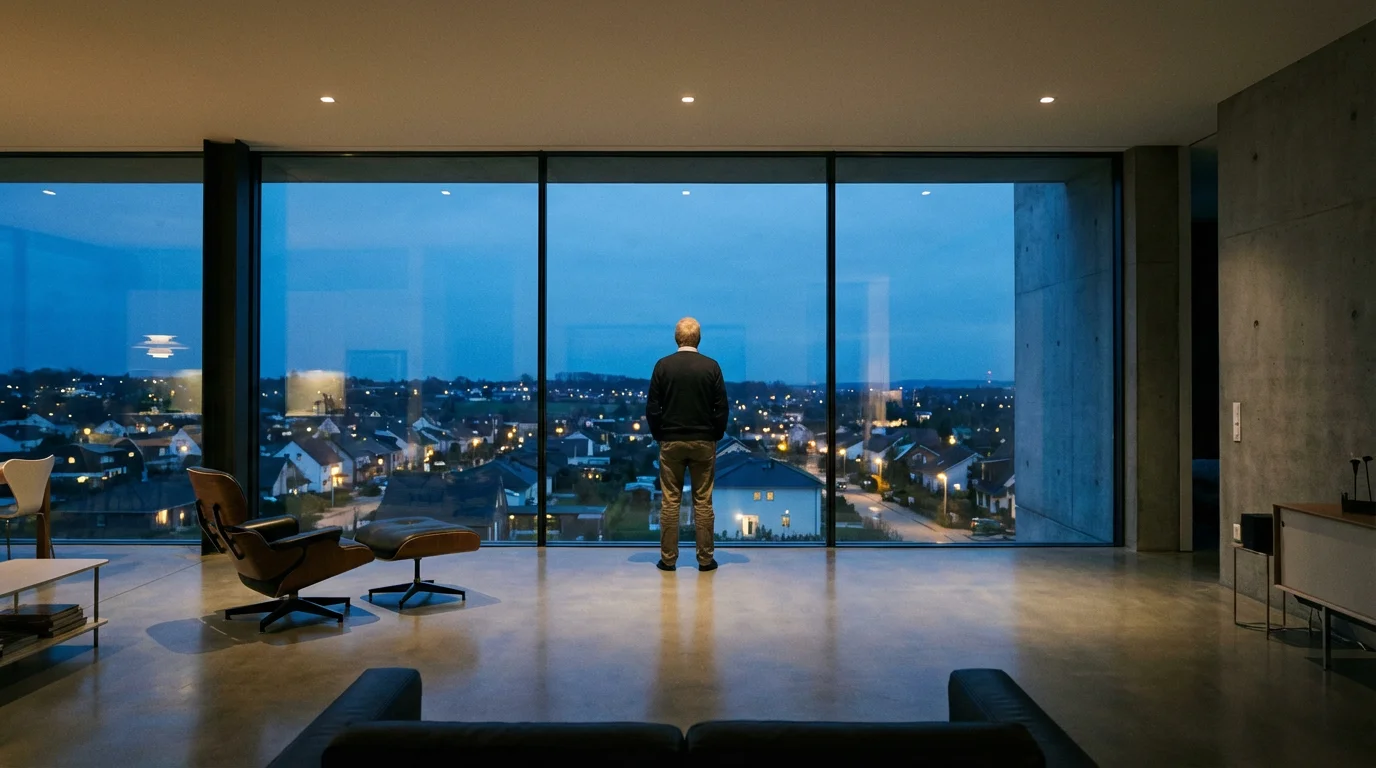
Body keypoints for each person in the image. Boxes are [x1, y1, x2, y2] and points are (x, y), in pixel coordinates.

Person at [645, 317, 728, 572]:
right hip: (703, 442)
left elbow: (652, 408)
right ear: (698, 338)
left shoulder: (663, 366)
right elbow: (721, 408)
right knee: (703, 501)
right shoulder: (711, 367)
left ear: (676, 337)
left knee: (671, 501)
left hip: (671, 442)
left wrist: (661, 434)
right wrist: (715, 434)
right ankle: (705, 559)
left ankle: (668, 560)